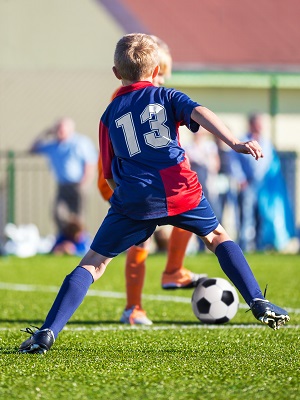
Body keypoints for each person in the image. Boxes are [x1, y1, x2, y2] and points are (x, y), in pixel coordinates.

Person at [19, 33, 290, 354]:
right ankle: (257, 300)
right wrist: (234, 143)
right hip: (180, 186)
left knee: (94, 262)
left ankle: (47, 332)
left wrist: (130, 203)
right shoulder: (167, 95)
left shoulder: (109, 114)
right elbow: (200, 112)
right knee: (216, 236)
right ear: (158, 68)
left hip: (135, 196)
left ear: (117, 73)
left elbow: (107, 171)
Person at [98, 36, 206, 326]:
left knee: (188, 212)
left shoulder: (154, 96)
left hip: (141, 178)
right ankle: (133, 307)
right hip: (123, 179)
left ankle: (173, 270)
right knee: (140, 240)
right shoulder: (127, 99)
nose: (162, 81)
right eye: (162, 73)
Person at [233, 113, 295, 251]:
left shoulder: (266, 142)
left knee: (261, 215)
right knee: (246, 215)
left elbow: (269, 164)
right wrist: (241, 179)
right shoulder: (242, 140)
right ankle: (245, 244)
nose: (261, 126)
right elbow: (234, 162)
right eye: (258, 123)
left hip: (263, 186)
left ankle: (258, 244)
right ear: (252, 124)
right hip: (248, 184)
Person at [30, 118, 98, 234]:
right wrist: (45, 133)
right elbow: (32, 149)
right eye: (58, 129)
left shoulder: (81, 142)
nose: (59, 131)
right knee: (58, 213)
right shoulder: (53, 145)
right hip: (62, 186)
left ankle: (78, 241)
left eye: (62, 129)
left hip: (78, 185)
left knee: (78, 216)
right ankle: (65, 238)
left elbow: (90, 163)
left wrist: (85, 182)